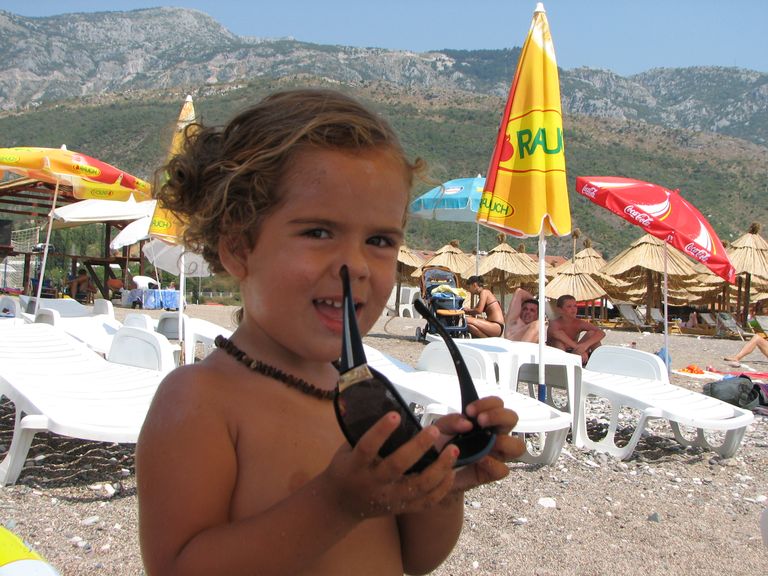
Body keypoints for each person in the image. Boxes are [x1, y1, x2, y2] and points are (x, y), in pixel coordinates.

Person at [135, 89, 524, 576]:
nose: (355, 265)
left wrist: (437, 484)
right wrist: (336, 505)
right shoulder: (199, 401)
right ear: (238, 248)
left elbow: (415, 557)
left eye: (379, 240)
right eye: (318, 232)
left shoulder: (367, 391)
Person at [547, 294, 605, 365]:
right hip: (555, 356)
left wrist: (585, 345)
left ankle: (600, 364)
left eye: (575, 306)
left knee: (592, 333)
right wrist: (579, 348)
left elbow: (601, 333)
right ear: (560, 310)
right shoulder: (554, 323)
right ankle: (563, 366)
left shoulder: (579, 323)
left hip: (574, 353)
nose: (573, 309)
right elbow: (557, 334)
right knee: (558, 341)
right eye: (569, 306)